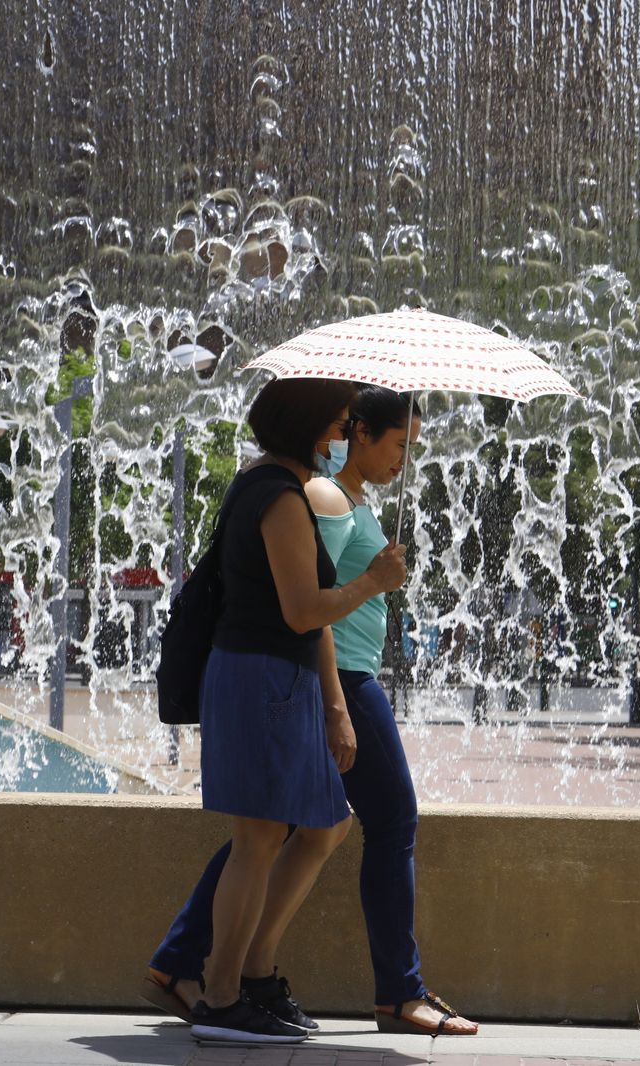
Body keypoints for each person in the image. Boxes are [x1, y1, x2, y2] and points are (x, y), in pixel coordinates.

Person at [142, 385, 478, 1038]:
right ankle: (223, 991)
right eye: (339, 422)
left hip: (299, 676)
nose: (342, 430)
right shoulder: (292, 496)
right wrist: (367, 603)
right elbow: (306, 607)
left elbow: (305, 603)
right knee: (277, 832)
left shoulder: (284, 488)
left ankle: (235, 975)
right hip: (291, 677)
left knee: (315, 827)